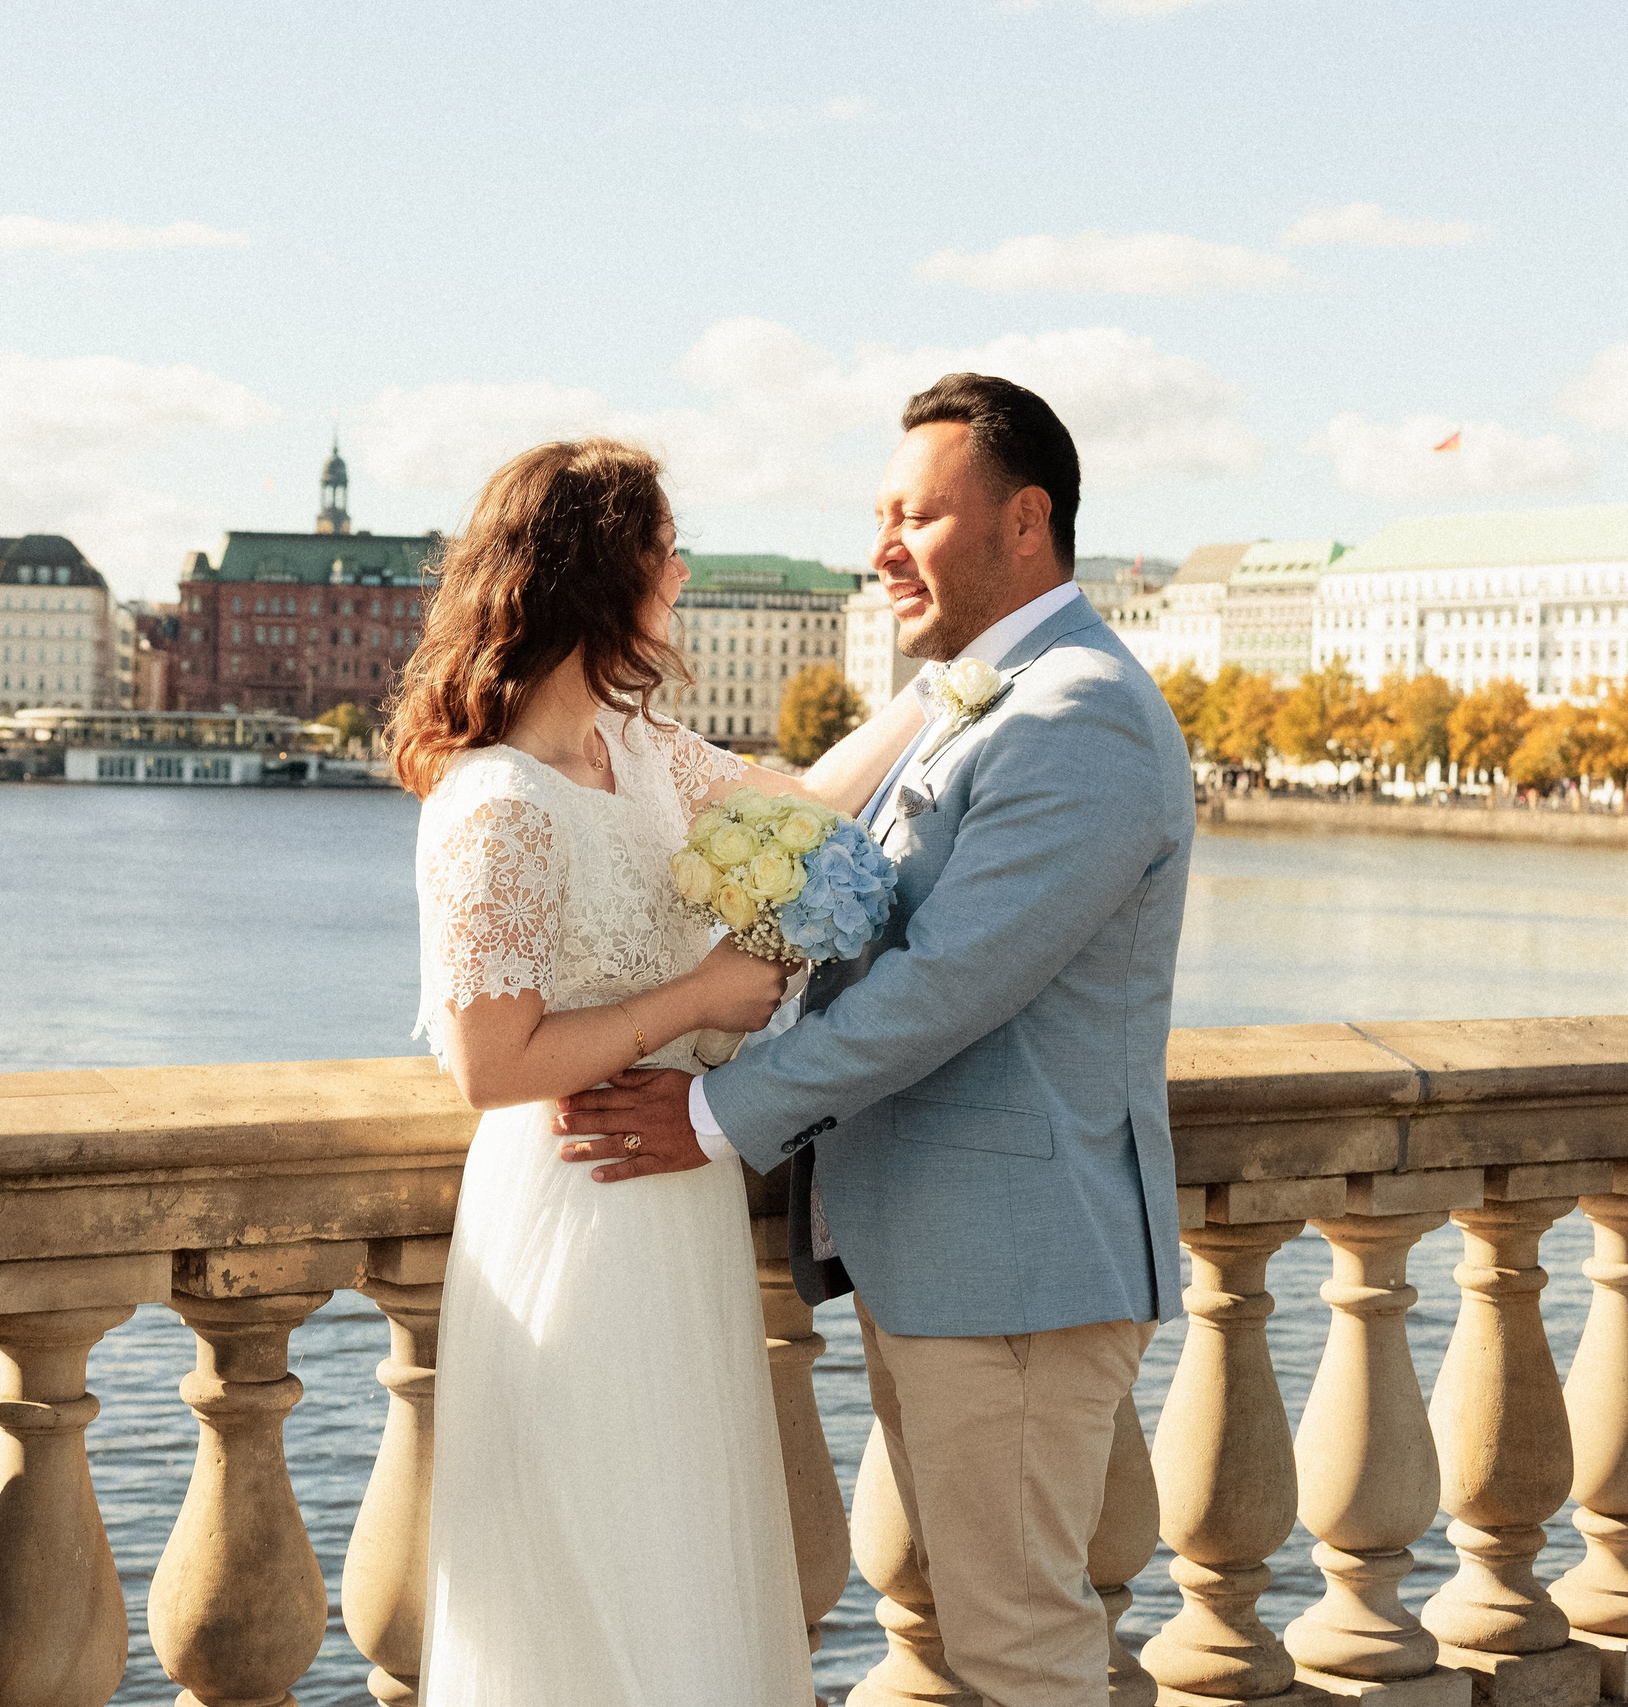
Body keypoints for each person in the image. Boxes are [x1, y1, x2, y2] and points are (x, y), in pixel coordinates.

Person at [558, 374, 1193, 1707]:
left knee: (1025, 1649)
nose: (882, 546)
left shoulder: (1076, 710)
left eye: (916, 514)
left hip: (1013, 1271)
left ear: (1026, 521)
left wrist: (720, 1117)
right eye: (878, 515)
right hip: (957, 1258)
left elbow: (948, 983)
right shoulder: (980, 698)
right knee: (1000, 1639)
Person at [396, 437, 923, 1706]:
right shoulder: (494, 803)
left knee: (682, 1539)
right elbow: (488, 1064)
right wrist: (697, 999)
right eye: (663, 549)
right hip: (574, 1201)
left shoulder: (637, 749)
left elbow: (795, 805)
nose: (680, 570)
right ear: (601, 575)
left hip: (670, 1197)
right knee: (588, 1551)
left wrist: (935, 699)